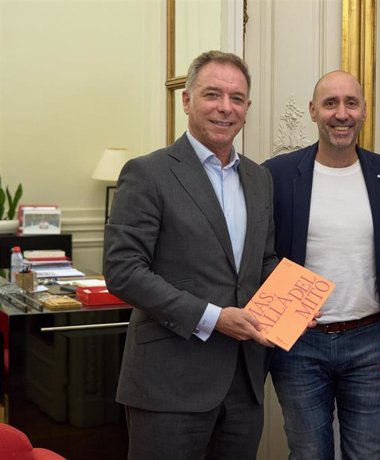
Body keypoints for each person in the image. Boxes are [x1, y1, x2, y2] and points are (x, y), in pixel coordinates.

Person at [104, 50, 279, 460]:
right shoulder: (148, 172)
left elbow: (263, 260)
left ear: (247, 109)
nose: (225, 107)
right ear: (186, 100)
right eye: (212, 95)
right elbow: (123, 270)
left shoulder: (260, 178)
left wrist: (299, 298)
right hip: (169, 381)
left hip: (244, 383)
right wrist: (214, 318)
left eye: (237, 98)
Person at [263, 70, 380, 459]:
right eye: (330, 103)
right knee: (308, 453)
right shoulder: (276, 174)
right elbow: (260, 254)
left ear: (363, 111)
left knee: (371, 453)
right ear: (312, 111)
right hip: (299, 344)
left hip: (371, 341)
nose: (341, 114)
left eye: (351, 103)